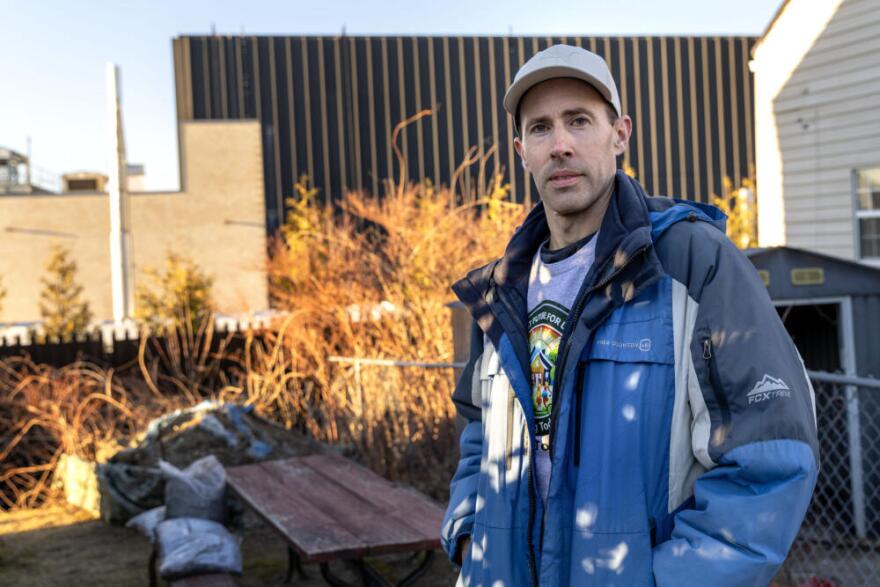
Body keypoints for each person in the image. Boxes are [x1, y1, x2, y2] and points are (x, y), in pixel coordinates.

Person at [440, 44, 819, 586]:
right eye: (541, 128)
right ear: (523, 151)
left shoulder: (693, 263)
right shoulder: (502, 291)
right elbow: (480, 434)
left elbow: (769, 462)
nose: (561, 144)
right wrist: (470, 537)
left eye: (579, 121)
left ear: (620, 134)